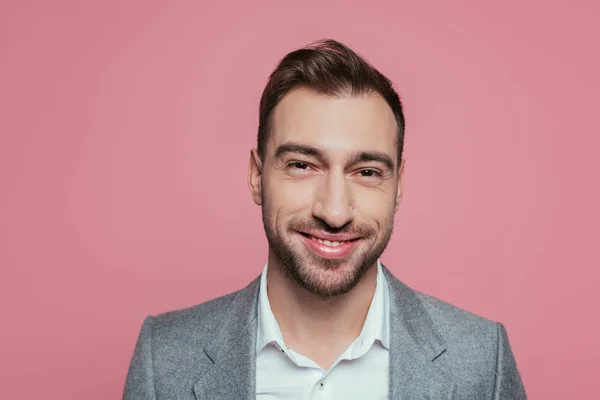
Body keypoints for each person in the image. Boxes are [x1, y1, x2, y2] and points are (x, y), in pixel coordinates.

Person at [123, 39, 527, 400]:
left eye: (367, 172)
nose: (334, 212)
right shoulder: (165, 360)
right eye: (303, 165)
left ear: (398, 185)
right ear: (257, 176)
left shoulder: (480, 362)